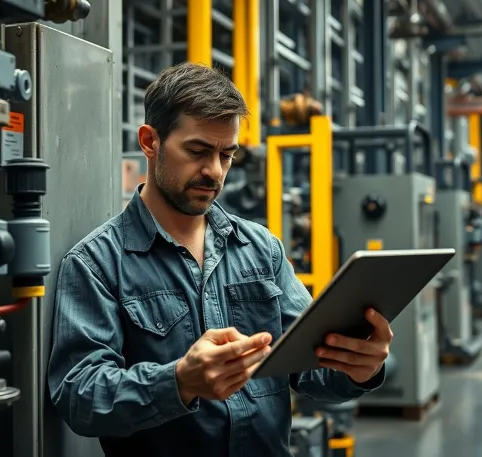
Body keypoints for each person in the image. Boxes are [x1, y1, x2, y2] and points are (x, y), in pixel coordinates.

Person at [47, 62, 393, 457]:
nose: (214, 170)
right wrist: (178, 382)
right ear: (150, 141)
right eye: (197, 151)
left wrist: (358, 367)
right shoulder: (97, 264)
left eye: (227, 155)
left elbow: (309, 364)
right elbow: (80, 396)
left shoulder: (262, 249)